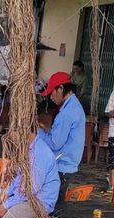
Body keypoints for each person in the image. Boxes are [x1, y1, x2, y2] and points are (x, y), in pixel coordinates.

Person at [37, 71, 86, 200]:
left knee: (54, 208)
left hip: (62, 166)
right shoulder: (74, 105)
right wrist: (48, 129)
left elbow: (55, 143)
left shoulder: (67, 112)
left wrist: (38, 132)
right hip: (67, 166)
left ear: (61, 89)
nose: (51, 98)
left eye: (52, 92)